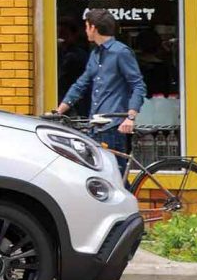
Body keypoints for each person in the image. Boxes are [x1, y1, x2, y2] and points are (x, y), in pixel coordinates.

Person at [54, 9, 147, 175]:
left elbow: (138, 85)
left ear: (94, 28)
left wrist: (130, 117)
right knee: (108, 176)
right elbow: (81, 84)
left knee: (110, 176)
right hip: (96, 124)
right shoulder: (95, 54)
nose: (85, 30)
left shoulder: (121, 52)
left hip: (113, 126)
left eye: (86, 26)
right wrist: (58, 111)